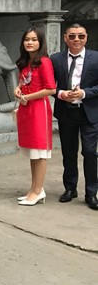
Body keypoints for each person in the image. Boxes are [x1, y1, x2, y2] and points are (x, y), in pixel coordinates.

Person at [50, 23, 98, 210]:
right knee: (68, 153)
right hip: (66, 111)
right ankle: (70, 188)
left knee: (90, 152)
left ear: (86, 37)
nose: (76, 39)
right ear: (65, 38)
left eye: (81, 36)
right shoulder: (56, 59)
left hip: (89, 112)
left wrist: (84, 93)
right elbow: (48, 85)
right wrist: (61, 93)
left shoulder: (96, 58)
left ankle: (91, 193)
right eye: (72, 36)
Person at [13, 28, 56, 206]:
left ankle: (38, 191)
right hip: (26, 109)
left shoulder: (44, 62)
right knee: (32, 151)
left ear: (40, 42)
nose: (29, 42)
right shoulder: (25, 62)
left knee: (40, 151)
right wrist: (18, 89)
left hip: (38, 109)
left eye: (34, 39)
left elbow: (51, 89)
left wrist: (28, 97)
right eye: (27, 39)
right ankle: (34, 189)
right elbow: (23, 81)